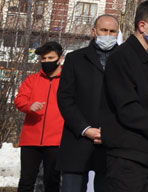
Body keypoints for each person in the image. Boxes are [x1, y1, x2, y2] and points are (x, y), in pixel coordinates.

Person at [99, 0, 148, 192]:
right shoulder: (122, 57)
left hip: (146, 154)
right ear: (143, 26)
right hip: (126, 155)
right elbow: (127, 107)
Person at [57, 15, 121, 192]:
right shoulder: (75, 59)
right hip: (77, 141)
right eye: (103, 30)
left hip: (111, 144)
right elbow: (65, 97)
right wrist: (85, 129)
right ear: (94, 32)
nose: (107, 35)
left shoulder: (126, 61)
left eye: (112, 31)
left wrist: (110, 130)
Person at [15, 41, 65, 192]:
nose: (46, 62)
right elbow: (19, 100)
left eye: (50, 58)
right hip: (31, 139)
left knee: (52, 181)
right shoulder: (32, 80)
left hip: (56, 140)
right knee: (26, 181)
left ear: (60, 59)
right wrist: (29, 106)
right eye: (43, 59)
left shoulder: (67, 80)